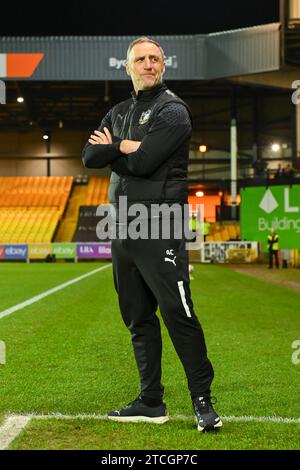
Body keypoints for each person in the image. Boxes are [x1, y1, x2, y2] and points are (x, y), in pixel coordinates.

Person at [82, 37, 222, 432]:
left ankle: (202, 402)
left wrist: (118, 148)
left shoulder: (173, 111)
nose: (147, 64)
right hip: (122, 224)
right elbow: (90, 156)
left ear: (163, 65)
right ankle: (150, 400)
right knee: (137, 318)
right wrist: (125, 146)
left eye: (154, 58)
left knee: (179, 313)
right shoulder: (119, 110)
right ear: (127, 67)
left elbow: (144, 163)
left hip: (159, 223)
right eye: (140, 59)